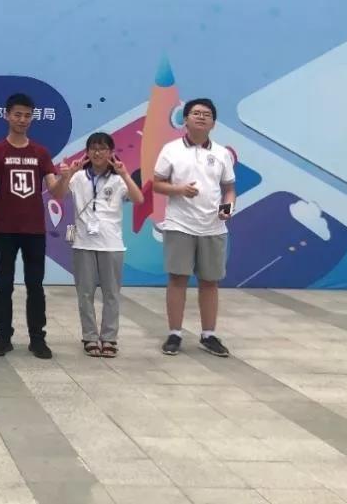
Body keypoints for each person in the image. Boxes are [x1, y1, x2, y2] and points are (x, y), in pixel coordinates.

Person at [0, 92, 74, 359]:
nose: (22, 120)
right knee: (4, 285)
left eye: (27, 116)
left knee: (35, 285)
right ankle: (3, 337)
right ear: (7, 116)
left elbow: (56, 192)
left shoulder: (40, 152)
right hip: (5, 229)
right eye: (17, 115)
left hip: (34, 230)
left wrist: (66, 177)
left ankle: (37, 339)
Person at [152, 98, 236, 358]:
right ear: (185, 119)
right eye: (196, 113)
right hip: (180, 224)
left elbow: (229, 188)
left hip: (213, 227)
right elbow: (156, 183)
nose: (201, 117)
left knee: (210, 282)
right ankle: (175, 334)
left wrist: (227, 209)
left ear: (213, 123)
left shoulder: (221, 153)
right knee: (177, 279)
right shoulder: (171, 149)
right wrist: (179, 190)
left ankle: (208, 335)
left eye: (207, 114)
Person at [63, 133, 143, 358]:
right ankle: (90, 337)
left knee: (111, 294)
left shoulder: (119, 179)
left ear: (111, 152)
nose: (98, 153)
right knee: (85, 294)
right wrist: (68, 174)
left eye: (103, 148)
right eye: (93, 148)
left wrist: (124, 174)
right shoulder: (79, 177)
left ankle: (109, 338)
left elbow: (139, 199)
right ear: (87, 152)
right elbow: (58, 193)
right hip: (83, 243)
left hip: (112, 245)